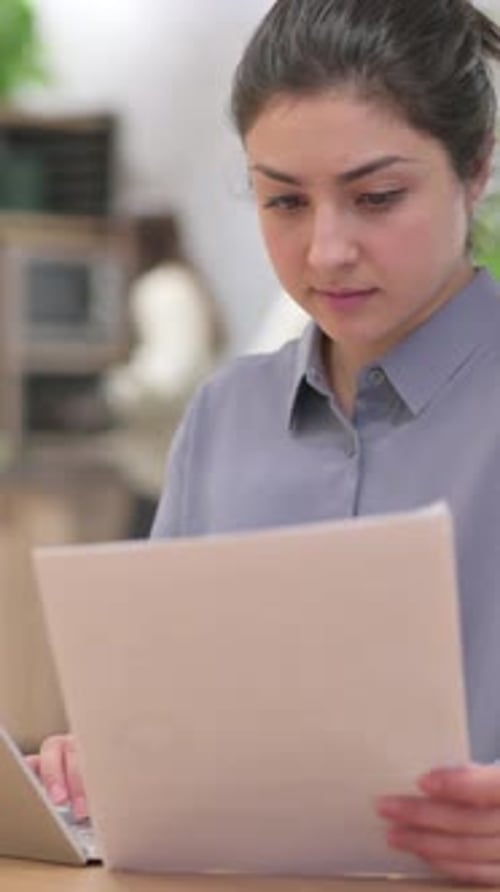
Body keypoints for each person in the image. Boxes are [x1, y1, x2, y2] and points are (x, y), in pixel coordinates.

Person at [28, 0, 500, 883]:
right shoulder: (223, 417)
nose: (325, 251)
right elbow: (162, 716)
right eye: (283, 199)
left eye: (378, 197)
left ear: (475, 170)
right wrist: (111, 762)